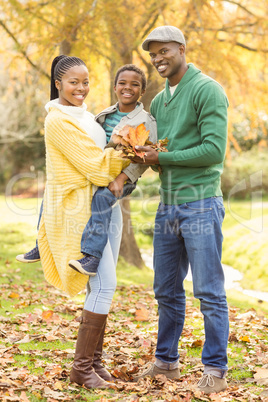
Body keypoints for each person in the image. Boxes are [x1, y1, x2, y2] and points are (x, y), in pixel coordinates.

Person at [131, 26, 229, 395]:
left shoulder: (207, 90)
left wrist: (164, 157)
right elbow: (162, 155)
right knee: (166, 289)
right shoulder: (158, 102)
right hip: (168, 205)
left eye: (164, 51)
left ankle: (215, 370)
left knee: (208, 291)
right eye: (153, 54)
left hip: (201, 203)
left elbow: (212, 151)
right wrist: (146, 156)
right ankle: (166, 362)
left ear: (182, 49)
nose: (158, 58)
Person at [29, 54, 130, 390]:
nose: (82, 88)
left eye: (86, 81)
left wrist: (121, 147)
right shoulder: (57, 121)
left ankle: (96, 365)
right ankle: (81, 368)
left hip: (106, 207)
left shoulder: (86, 116)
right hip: (80, 212)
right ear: (58, 83)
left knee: (99, 284)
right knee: (104, 284)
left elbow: (103, 157)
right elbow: (98, 167)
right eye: (74, 82)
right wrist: (132, 150)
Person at [16, 64, 157, 277]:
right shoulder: (104, 114)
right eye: (122, 83)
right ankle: (41, 244)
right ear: (114, 87)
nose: (128, 88)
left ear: (142, 91)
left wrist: (122, 178)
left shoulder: (146, 121)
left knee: (102, 198)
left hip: (122, 176)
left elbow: (144, 158)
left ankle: (92, 256)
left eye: (134, 85)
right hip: (101, 169)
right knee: (52, 193)